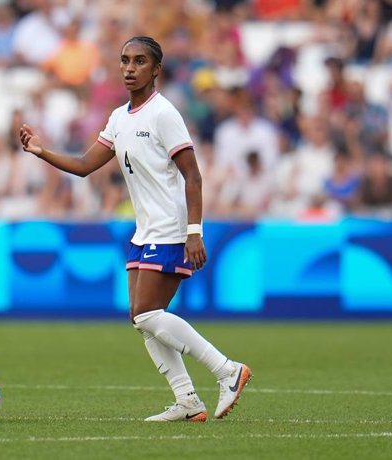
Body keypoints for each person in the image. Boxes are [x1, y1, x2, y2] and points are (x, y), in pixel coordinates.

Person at [19, 36, 252, 422]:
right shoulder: (118, 117)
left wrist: (195, 230)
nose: (129, 68)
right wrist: (43, 152)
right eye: (125, 60)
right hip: (145, 231)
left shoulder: (164, 114)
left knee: (146, 314)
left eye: (140, 61)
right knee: (141, 317)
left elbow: (192, 176)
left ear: (156, 69)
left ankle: (227, 370)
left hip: (172, 228)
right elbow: (83, 165)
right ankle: (188, 401)